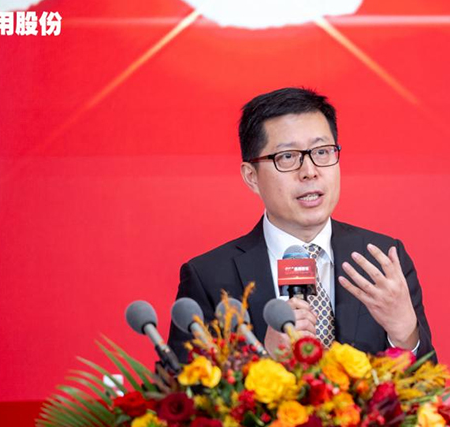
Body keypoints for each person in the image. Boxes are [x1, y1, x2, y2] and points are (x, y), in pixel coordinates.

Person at [167, 87, 435, 363]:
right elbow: (181, 384)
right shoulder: (209, 277)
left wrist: (405, 334)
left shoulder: (383, 261)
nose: (309, 171)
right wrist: (264, 357)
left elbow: (429, 384)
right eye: (287, 157)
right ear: (251, 177)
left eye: (322, 152)